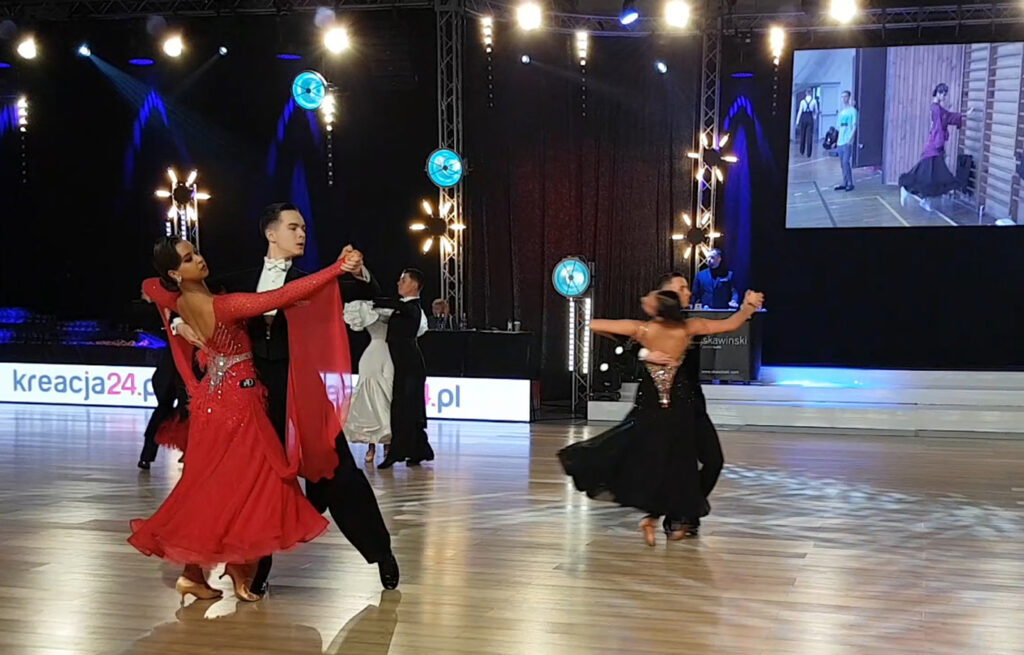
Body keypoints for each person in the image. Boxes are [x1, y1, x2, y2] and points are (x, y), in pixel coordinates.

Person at [173, 203, 398, 594]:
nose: (302, 234)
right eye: (293, 227)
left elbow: (367, 290)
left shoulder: (310, 281)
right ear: (270, 233)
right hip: (254, 398)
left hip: (303, 392)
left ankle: (381, 553)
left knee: (339, 471)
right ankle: (256, 570)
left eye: (304, 228)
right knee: (262, 482)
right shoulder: (237, 281)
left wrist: (358, 269)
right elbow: (178, 297)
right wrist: (180, 323)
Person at [130, 237, 356, 602]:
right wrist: (335, 269)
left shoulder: (179, 301)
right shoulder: (225, 306)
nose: (199, 259)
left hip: (210, 404)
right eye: (188, 259)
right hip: (238, 406)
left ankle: (201, 572)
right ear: (175, 273)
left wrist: (177, 322)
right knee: (260, 484)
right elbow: (282, 296)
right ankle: (230, 566)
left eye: (196, 252)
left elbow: (150, 285)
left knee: (215, 488)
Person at [558, 288, 764, 546]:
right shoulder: (689, 328)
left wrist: (642, 350)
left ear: (657, 309)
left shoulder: (641, 329)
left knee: (660, 465)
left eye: (650, 298)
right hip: (679, 407)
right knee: (676, 467)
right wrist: (748, 307)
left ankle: (656, 518)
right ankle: (662, 518)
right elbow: (731, 324)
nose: (644, 299)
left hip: (660, 408)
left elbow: (594, 325)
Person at [654, 271, 724, 534]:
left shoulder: (691, 326)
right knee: (679, 467)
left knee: (714, 461)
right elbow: (627, 346)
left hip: (695, 407)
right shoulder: (653, 327)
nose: (689, 292)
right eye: (682, 288)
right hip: (669, 410)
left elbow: (727, 324)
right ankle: (679, 517)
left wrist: (747, 309)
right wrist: (645, 353)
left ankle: (687, 510)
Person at [375, 268, 433, 469]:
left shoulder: (413, 308)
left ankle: (398, 452)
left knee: (404, 407)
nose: (398, 283)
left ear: (414, 285)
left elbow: (399, 306)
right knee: (407, 407)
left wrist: (374, 301)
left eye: (403, 280)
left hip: (410, 365)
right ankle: (419, 450)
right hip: (404, 364)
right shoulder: (404, 307)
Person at [899, 83, 974, 212]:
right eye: (943, 94)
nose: (944, 96)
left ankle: (925, 199)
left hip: (935, 145)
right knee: (928, 174)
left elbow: (950, 116)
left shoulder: (938, 108)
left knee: (932, 176)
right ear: (938, 93)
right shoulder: (936, 109)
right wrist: (939, 146)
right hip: (934, 146)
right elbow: (938, 127)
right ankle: (907, 188)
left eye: (945, 94)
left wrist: (965, 115)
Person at [343, 298, 395, 464]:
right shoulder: (365, 308)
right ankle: (371, 446)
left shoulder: (395, 310)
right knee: (368, 398)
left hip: (390, 355)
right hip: (371, 355)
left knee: (387, 396)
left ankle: (388, 442)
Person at [835, 90, 858, 192]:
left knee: (845, 162)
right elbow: (839, 127)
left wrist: (850, 139)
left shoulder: (853, 111)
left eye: (845, 96)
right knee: (842, 164)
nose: (844, 99)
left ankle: (850, 183)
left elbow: (854, 126)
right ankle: (845, 182)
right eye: (842, 97)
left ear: (849, 97)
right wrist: (836, 141)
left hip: (847, 141)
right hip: (840, 141)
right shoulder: (841, 113)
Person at [795, 88, 819, 158]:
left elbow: (800, 112)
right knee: (809, 136)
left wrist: (797, 122)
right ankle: (809, 153)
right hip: (810, 117)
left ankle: (802, 150)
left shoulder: (802, 101)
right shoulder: (814, 101)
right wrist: (814, 117)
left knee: (802, 135)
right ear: (811, 93)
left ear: (806, 93)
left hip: (804, 117)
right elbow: (816, 111)